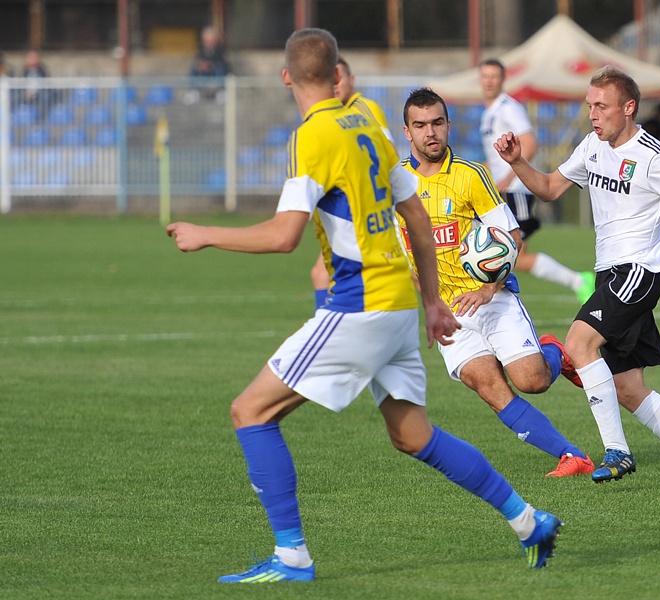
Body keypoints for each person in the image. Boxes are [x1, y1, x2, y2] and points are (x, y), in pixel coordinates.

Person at [166, 28, 563, 583]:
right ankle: (528, 520)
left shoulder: (312, 136)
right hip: (400, 304)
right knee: (412, 435)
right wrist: (430, 302)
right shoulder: (370, 125)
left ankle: (292, 558)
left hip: (359, 304)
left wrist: (203, 233)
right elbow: (417, 218)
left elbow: (285, 236)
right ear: (336, 76)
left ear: (286, 79)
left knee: (250, 412)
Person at [494, 65, 660, 488]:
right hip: (611, 273)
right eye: (590, 105)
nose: (593, 114)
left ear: (628, 108)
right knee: (627, 388)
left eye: (601, 106)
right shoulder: (592, 145)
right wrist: (517, 162)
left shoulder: (654, 157)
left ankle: (617, 452)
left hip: (638, 271)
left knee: (578, 342)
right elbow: (550, 188)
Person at [399, 87, 594, 478]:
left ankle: (554, 350)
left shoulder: (472, 176)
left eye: (437, 123)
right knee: (489, 387)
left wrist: (488, 287)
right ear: (407, 132)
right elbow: (404, 257)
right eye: (420, 125)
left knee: (532, 381)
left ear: (449, 125)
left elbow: (512, 237)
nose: (430, 132)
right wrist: (430, 308)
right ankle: (573, 456)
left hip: (492, 298)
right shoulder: (395, 185)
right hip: (450, 313)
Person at [479, 58, 594, 303]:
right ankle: (578, 281)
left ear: (502, 80)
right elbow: (494, 158)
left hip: (516, 190)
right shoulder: (488, 113)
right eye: (485, 76)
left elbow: (529, 144)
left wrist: (508, 179)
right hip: (503, 191)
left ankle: (578, 280)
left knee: (508, 252)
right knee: (508, 254)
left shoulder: (508, 107)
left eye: (493, 76)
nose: (489, 81)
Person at [310, 56, 395, 309]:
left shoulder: (363, 107)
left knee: (400, 272)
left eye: (339, 78)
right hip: (355, 213)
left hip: (374, 212)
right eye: (329, 79)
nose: (335, 85)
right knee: (322, 273)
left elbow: (388, 153)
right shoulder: (341, 114)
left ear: (352, 80)